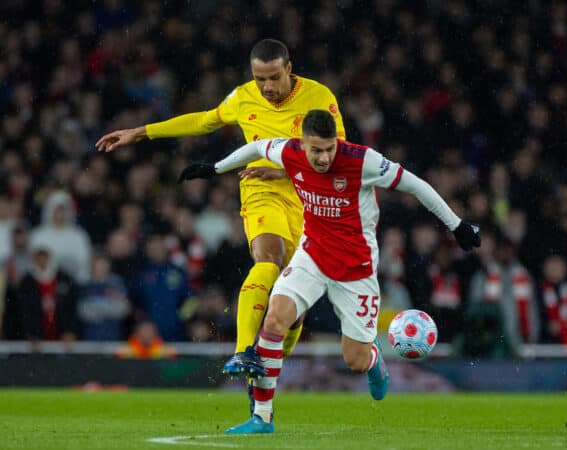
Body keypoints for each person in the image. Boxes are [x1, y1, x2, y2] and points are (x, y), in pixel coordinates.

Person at [178, 109, 480, 433]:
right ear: (303, 144)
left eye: (329, 149)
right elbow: (256, 148)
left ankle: (374, 360)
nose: (323, 158)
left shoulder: (362, 161)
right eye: (316, 150)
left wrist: (457, 225)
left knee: (354, 359)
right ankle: (262, 417)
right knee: (275, 317)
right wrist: (215, 168)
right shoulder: (289, 150)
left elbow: (416, 185)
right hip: (312, 255)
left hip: (355, 269)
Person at [96, 39, 346, 377]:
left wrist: (281, 169)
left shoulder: (319, 97)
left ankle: (273, 363)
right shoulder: (243, 96)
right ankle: (243, 350)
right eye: (260, 79)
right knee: (267, 258)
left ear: (289, 69)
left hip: (307, 197)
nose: (267, 87)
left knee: (294, 305)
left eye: (274, 77)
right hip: (261, 191)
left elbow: (336, 155)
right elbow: (204, 121)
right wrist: (142, 133)